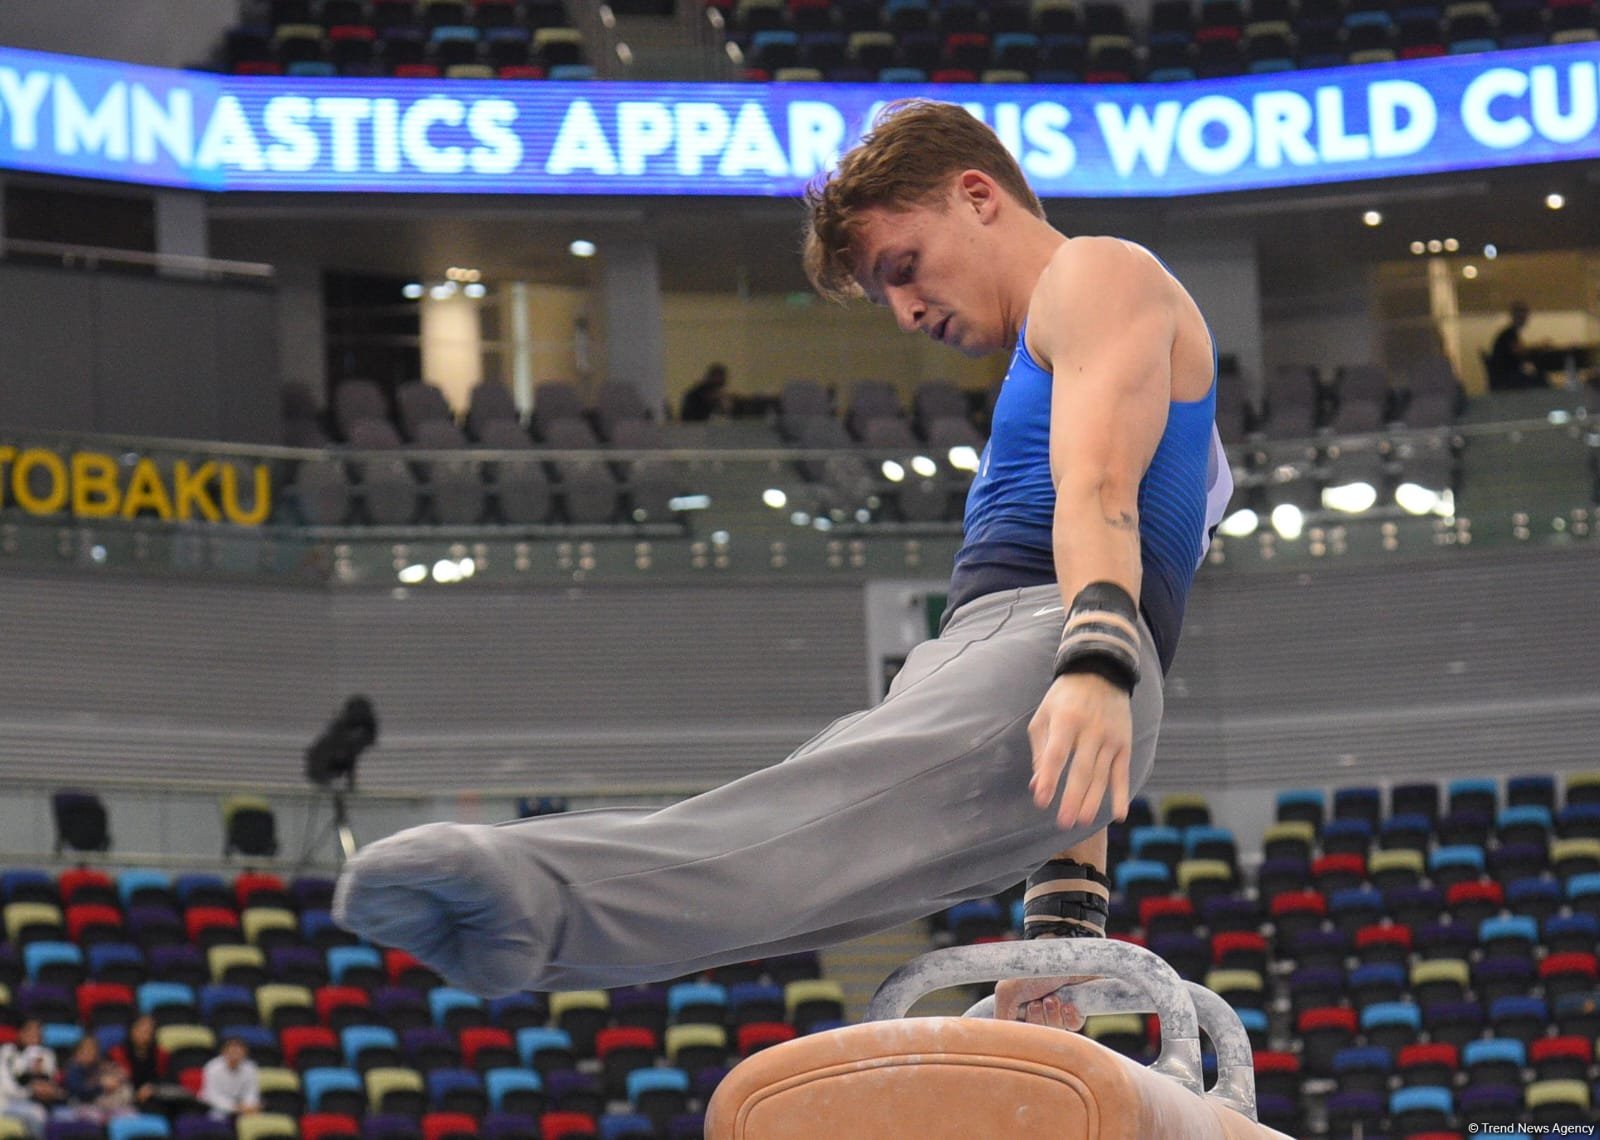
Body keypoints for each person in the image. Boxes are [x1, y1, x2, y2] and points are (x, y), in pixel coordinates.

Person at [332, 100, 1231, 1033]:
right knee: (798, 881)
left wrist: (1088, 667)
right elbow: (1084, 721)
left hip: (1042, 646)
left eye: (903, 268)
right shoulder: (1111, 380)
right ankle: (531, 928)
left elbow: (1096, 498)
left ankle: (522, 892)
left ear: (978, 196)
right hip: (1046, 662)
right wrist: (1065, 934)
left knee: (784, 839)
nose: (905, 310)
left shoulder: (1098, 272)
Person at [0, 1021, 64, 1138]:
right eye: (29, 1032)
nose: (34, 1036)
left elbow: (51, 1083)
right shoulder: (7, 1051)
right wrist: (31, 1089)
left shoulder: (46, 1054)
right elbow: (7, 1087)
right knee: (37, 1113)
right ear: (20, 1033)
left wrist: (42, 1076)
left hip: (43, 1102)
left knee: (64, 1115)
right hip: (9, 1102)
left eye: (37, 1033)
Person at [197, 1039, 259, 1122]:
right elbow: (212, 1095)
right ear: (223, 1052)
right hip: (211, 1107)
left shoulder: (250, 1068)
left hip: (240, 1107)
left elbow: (251, 1091)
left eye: (239, 1052)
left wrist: (248, 1105)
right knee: (217, 1117)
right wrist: (234, 1107)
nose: (235, 1055)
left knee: (254, 1117)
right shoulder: (212, 1067)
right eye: (232, 1051)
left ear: (245, 1054)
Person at [1487, 301, 1541, 390]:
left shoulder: (1510, 333)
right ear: (1515, 316)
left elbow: (1519, 349)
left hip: (1506, 374)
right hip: (1507, 375)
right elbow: (1519, 351)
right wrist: (1538, 347)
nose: (1525, 319)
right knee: (1539, 378)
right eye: (1523, 316)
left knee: (1536, 375)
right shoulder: (1509, 334)